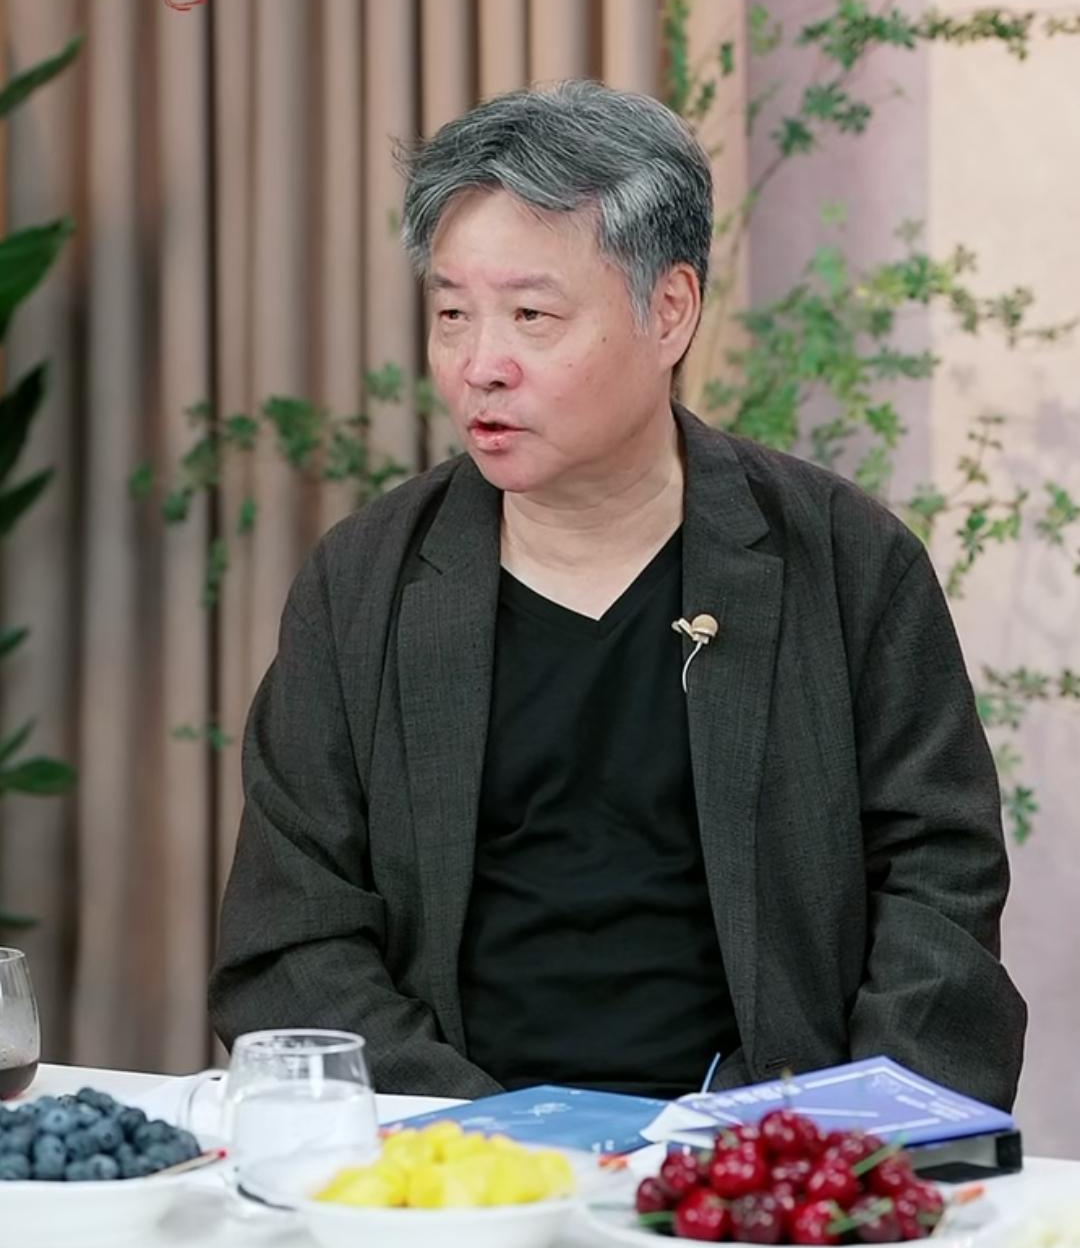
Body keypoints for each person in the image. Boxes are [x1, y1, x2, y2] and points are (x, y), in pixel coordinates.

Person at [209, 80, 1026, 1108]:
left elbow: (939, 890)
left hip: (759, 1152)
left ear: (669, 311)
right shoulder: (364, 581)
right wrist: (485, 1139)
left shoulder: (845, 560)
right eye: (453, 315)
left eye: (532, 316)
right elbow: (293, 934)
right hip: (455, 1150)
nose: (479, 365)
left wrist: (826, 1140)